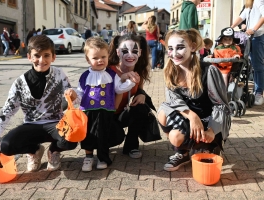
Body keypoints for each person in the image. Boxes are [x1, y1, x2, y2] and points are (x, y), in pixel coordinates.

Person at [0, 35, 79, 172]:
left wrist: (73, 95)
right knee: (6, 146)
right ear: (29, 57)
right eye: (37, 55)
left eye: (46, 55)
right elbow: (8, 109)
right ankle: (34, 151)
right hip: (31, 124)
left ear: (53, 57)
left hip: (55, 123)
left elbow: (72, 96)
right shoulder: (20, 82)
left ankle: (54, 151)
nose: (41, 60)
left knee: (72, 138)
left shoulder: (59, 74)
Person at [157, 29, 231, 172]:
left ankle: (209, 145)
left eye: (180, 47)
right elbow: (173, 101)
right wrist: (192, 116)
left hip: (210, 120)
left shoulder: (209, 70)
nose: (174, 53)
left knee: (207, 156)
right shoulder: (171, 70)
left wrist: (212, 129)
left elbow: (221, 105)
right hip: (190, 118)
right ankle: (182, 152)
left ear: (192, 46)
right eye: (170, 48)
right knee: (164, 113)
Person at [77, 37, 137, 172]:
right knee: (88, 134)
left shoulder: (111, 74)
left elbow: (119, 89)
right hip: (87, 111)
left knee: (103, 134)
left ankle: (103, 157)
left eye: (103, 57)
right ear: (88, 59)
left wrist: (130, 83)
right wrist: (74, 97)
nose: (100, 60)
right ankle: (88, 157)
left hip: (105, 112)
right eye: (95, 58)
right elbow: (80, 92)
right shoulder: (84, 76)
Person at [108, 34, 155, 158]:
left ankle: (131, 146)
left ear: (140, 52)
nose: (130, 55)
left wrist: (142, 95)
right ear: (118, 52)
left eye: (134, 51)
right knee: (116, 137)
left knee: (141, 108)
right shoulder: (109, 71)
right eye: (125, 51)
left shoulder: (138, 72)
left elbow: (139, 89)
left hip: (123, 113)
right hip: (107, 115)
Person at [231, 0, 264, 105]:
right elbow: (242, 17)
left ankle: (259, 93)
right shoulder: (249, 3)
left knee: (258, 66)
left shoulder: (259, 1)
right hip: (248, 37)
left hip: (257, 36)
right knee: (248, 65)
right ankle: (252, 92)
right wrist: (230, 28)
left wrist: (254, 29)